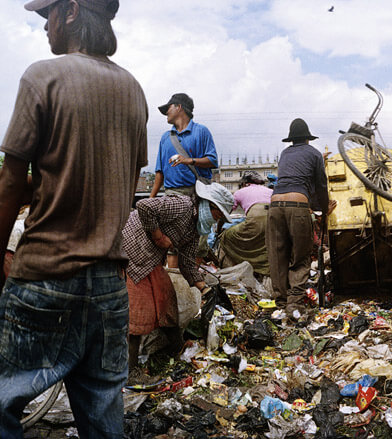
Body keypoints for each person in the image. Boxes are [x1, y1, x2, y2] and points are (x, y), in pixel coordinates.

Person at [0, 0, 146, 435]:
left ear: (70, 11)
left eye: (48, 16)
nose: (45, 27)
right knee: (103, 415)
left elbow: (10, 182)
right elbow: (117, 178)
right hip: (107, 287)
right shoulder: (133, 89)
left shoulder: (42, 75)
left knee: (5, 402)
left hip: (45, 277)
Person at [123, 182, 233, 376]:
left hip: (150, 259)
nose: (217, 220)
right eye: (219, 215)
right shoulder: (182, 206)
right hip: (132, 250)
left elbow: (188, 263)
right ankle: (130, 371)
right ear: (209, 205)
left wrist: (205, 289)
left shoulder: (195, 229)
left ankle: (178, 349)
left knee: (166, 299)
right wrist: (158, 236)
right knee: (139, 314)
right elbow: (144, 206)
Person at [267, 118, 333, 322]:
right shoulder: (314, 153)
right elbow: (320, 186)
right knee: (300, 256)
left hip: (275, 205)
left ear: (291, 139)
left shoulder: (285, 154)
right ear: (307, 138)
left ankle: (280, 302)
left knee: (278, 255)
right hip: (297, 205)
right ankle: (294, 305)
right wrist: (323, 208)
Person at [150, 92, 218, 198]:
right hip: (170, 195)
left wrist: (189, 160)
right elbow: (160, 172)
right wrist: (151, 199)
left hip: (198, 193)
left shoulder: (201, 131)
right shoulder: (165, 138)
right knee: (141, 207)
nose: (166, 113)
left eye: (168, 108)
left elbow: (212, 161)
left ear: (179, 107)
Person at [217, 172, 273, 275]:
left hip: (255, 220)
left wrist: (218, 231)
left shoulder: (239, 192)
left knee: (227, 236)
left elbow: (225, 214)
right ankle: (265, 270)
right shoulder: (271, 191)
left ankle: (230, 269)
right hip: (274, 222)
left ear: (245, 183)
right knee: (265, 243)